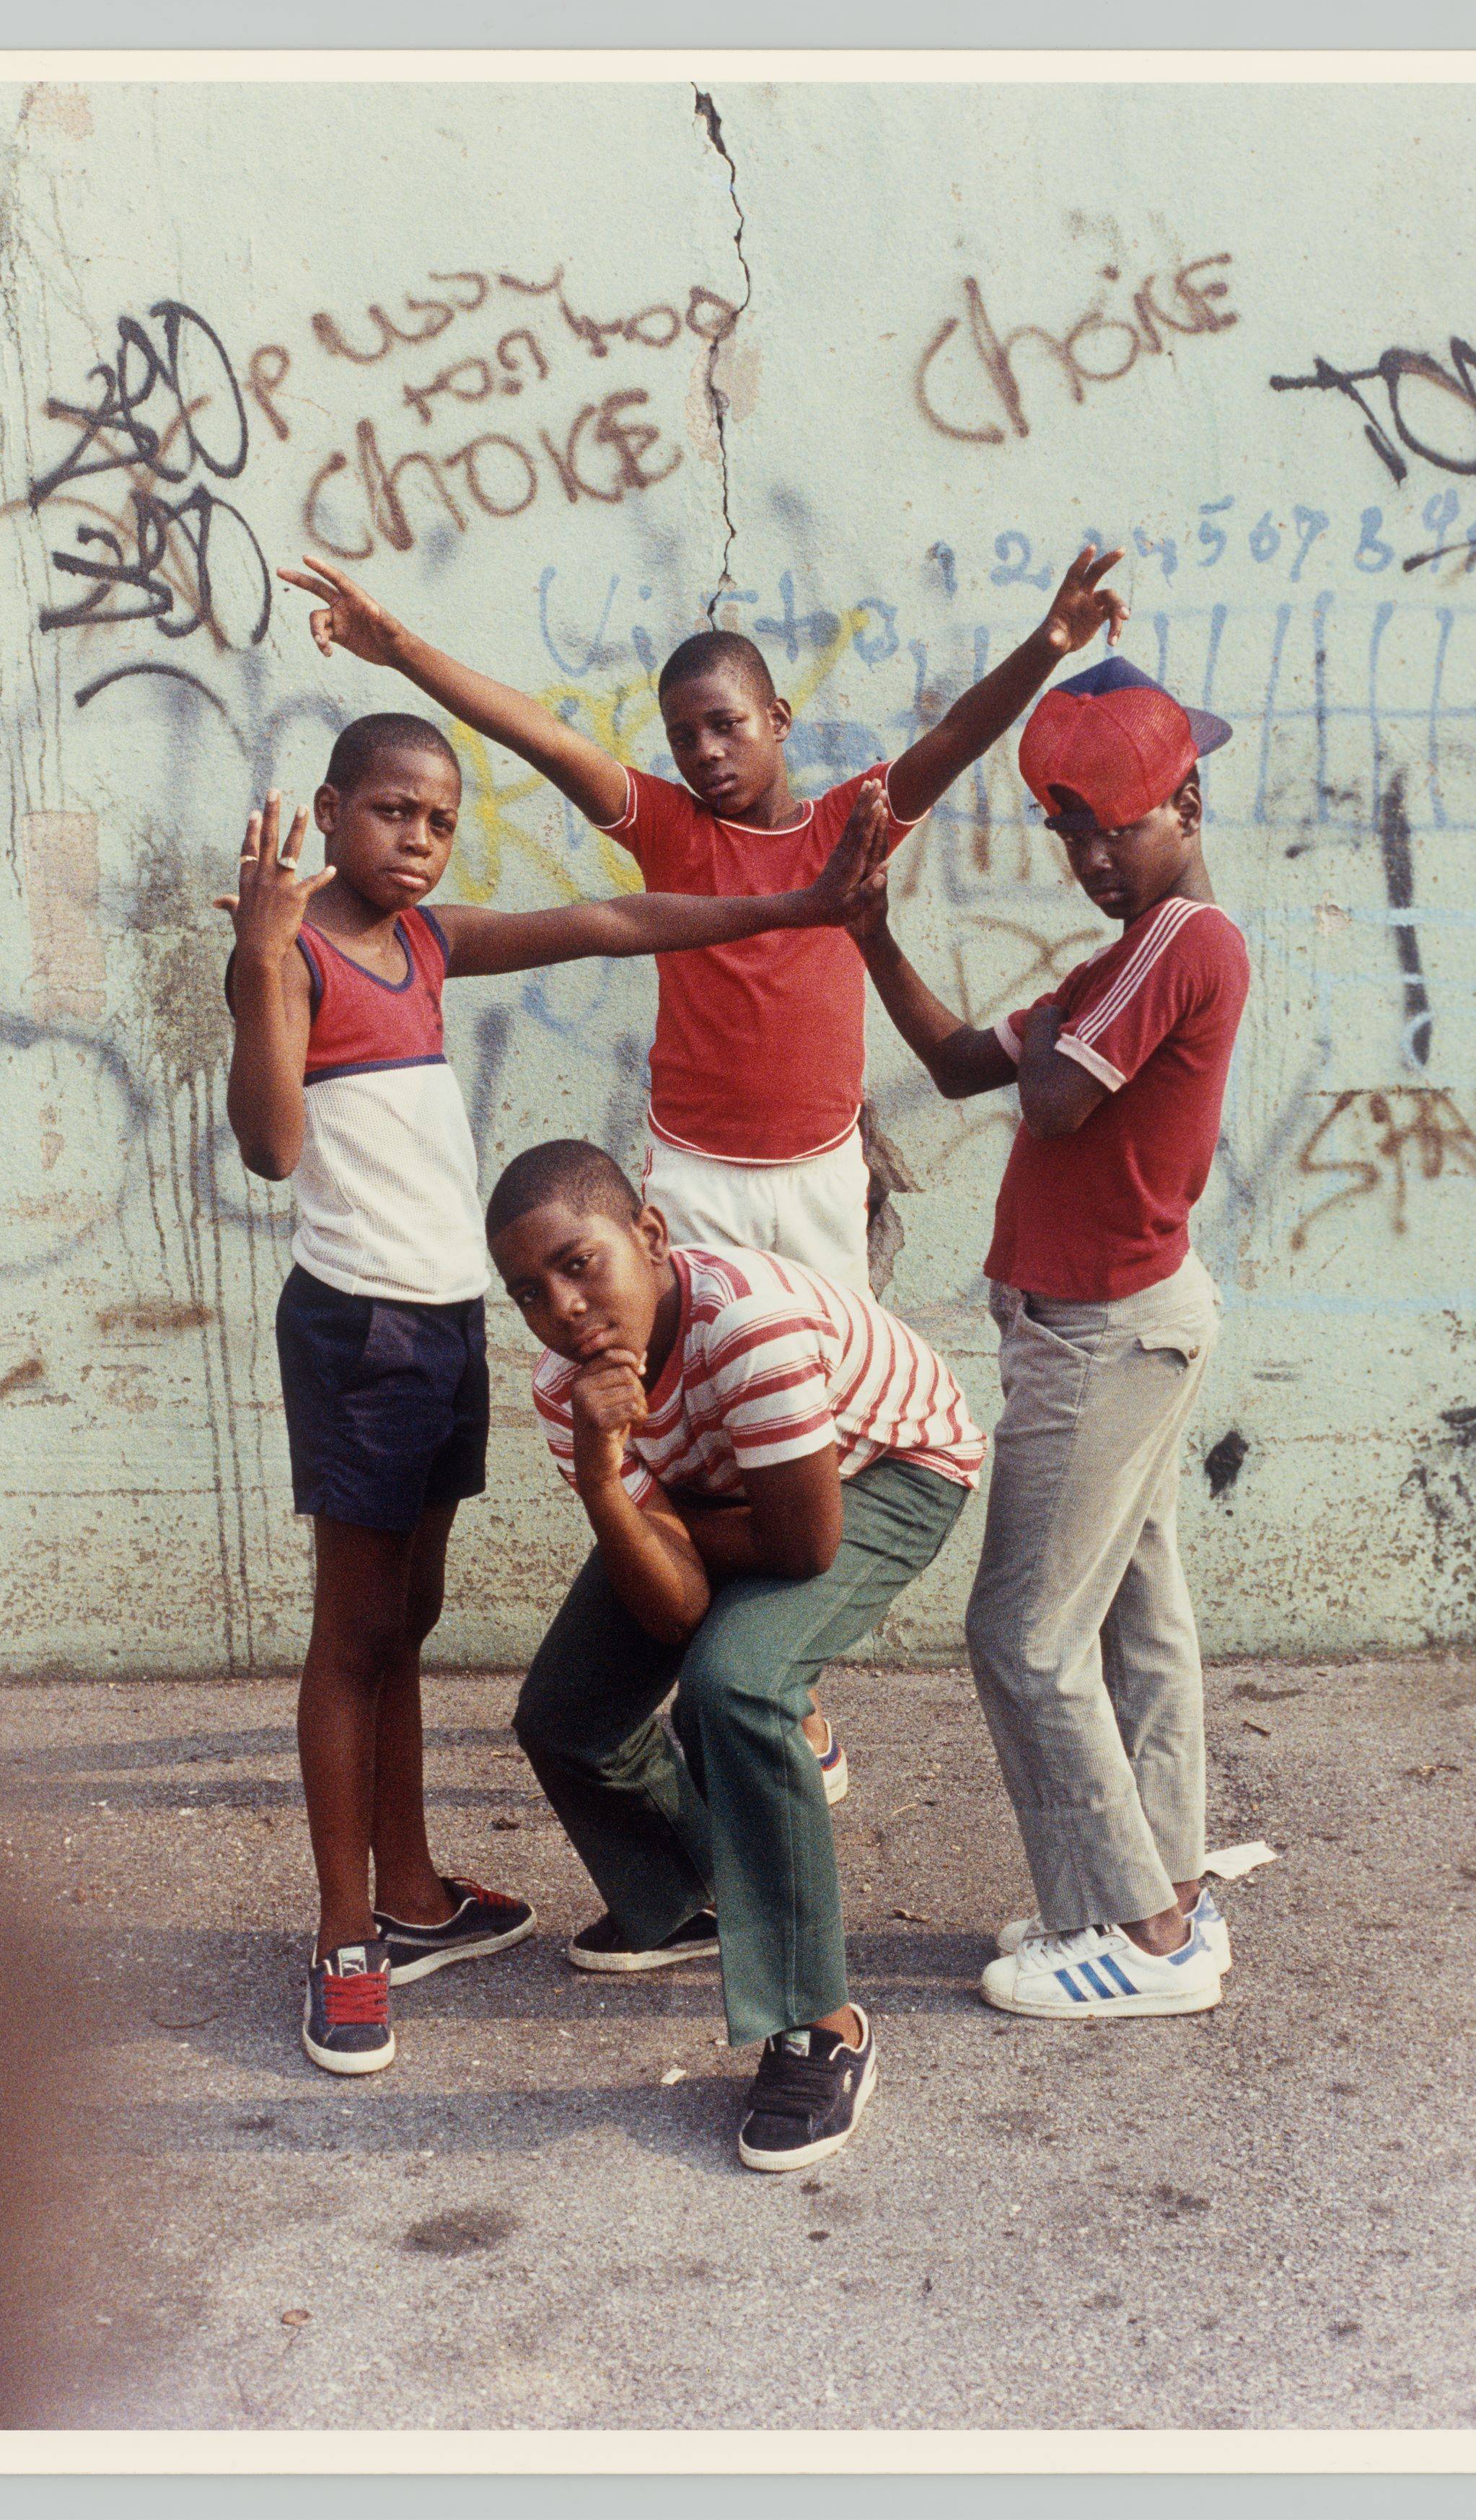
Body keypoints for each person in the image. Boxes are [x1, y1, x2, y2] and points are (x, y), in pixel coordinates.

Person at [278, 543, 1127, 1801]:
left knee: (813, 1443)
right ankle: (694, 1660)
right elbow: (534, 734)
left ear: (778, 720)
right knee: (682, 1430)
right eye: (683, 735)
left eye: (727, 725)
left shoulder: (848, 823)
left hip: (819, 1178)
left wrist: (1049, 646)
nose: (706, 752)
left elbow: (955, 737)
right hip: (692, 1183)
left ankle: (787, 1682)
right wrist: (395, 647)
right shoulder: (669, 826)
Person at [218, 716, 887, 2077]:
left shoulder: (421, 944)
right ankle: (346, 1937)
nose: (419, 839)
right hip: (359, 1333)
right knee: (352, 1637)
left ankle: (413, 1895)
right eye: (392, 811)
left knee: (407, 1617)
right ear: (330, 812)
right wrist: (257, 965)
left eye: (441, 820)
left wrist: (802, 904)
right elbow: (272, 1146)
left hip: (441, 1325)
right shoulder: (294, 956)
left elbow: (607, 920)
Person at [845, 657, 1250, 2021]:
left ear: (1188, 803)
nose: (1091, 861)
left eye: (1115, 829)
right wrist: (871, 936)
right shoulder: (1123, 957)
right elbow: (968, 1063)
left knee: (1020, 1634)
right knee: (1136, 1616)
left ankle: (1137, 1936)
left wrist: (1056, 1036)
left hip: (1103, 1340)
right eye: (1068, 833)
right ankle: (1164, 1896)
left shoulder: (1182, 941)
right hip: (1109, 1330)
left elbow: (1058, 1100)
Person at [484, 1139, 984, 2171]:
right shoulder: (566, 1389)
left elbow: (802, 1547)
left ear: (649, 1236)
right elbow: (672, 1611)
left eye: (580, 1264)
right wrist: (603, 1480)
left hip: (887, 1468)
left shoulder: (748, 1325)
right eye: (530, 1293)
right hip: (740, 1491)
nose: (564, 1309)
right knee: (568, 1715)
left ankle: (820, 2024)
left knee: (738, 1685)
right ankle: (692, 1895)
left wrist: (671, 1523)